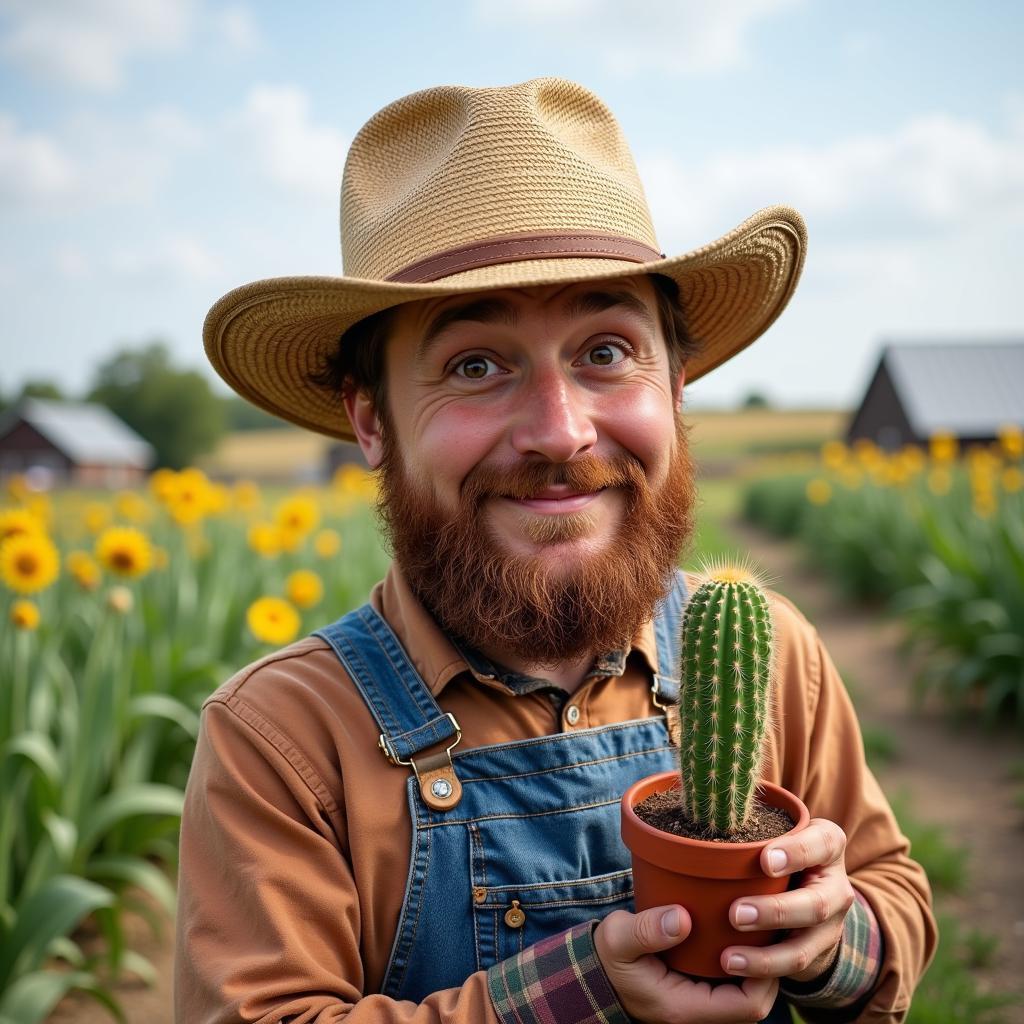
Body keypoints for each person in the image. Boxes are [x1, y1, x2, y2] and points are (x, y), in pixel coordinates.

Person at [177, 78, 936, 1023]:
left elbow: (891, 893)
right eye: (476, 365)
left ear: (678, 385)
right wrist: (580, 995)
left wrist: (835, 942)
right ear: (373, 424)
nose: (559, 433)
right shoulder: (284, 739)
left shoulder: (770, 652)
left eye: (607, 351)